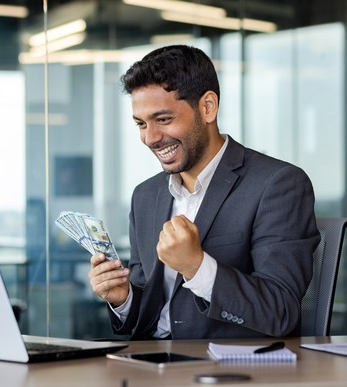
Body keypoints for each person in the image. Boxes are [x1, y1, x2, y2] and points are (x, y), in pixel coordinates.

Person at [88, 45, 320, 340]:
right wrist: (124, 298)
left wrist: (197, 267)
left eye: (163, 119)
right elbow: (150, 317)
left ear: (207, 107)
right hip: (153, 367)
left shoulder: (278, 184)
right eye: (141, 124)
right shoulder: (145, 196)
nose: (150, 138)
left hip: (231, 372)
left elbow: (280, 311)